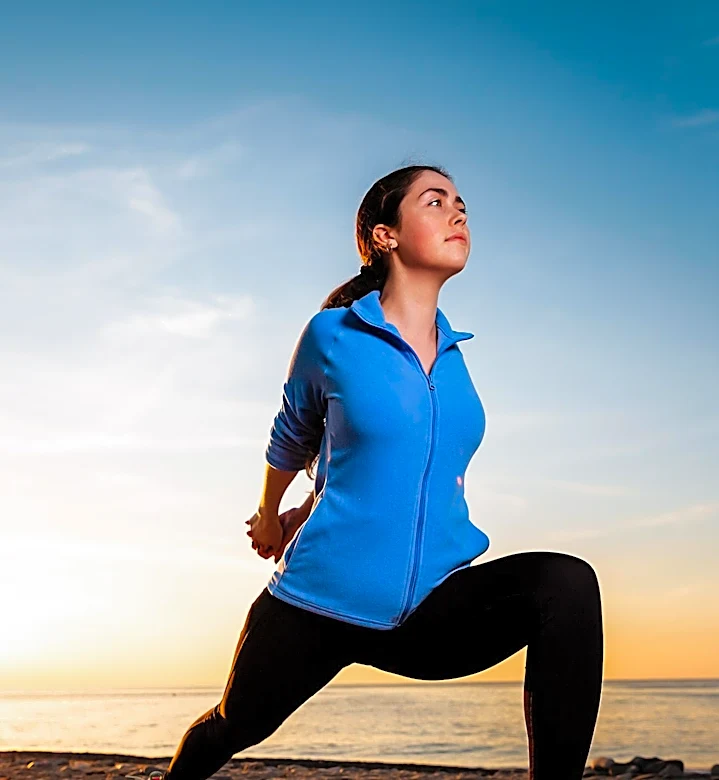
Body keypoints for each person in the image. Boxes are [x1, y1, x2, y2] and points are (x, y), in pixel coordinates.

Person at [130, 165, 604, 780]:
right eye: (435, 202)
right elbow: (294, 432)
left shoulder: (456, 357)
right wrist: (274, 516)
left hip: (429, 609)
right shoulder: (333, 334)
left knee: (566, 585)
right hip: (321, 603)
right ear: (386, 236)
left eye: (461, 203)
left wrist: (323, 491)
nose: (458, 213)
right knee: (233, 723)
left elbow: (397, 460)